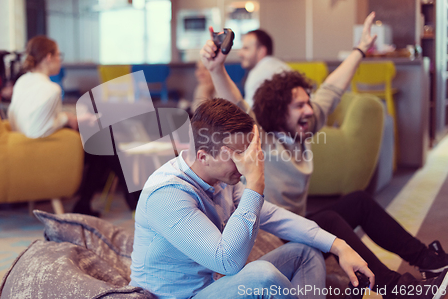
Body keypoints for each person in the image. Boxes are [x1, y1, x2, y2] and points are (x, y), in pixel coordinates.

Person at [200, 12, 448, 299]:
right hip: (271, 235)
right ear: (279, 113)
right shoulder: (259, 137)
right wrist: (217, 69)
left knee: (359, 201)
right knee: (328, 219)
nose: (309, 110)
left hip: (298, 226)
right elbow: (236, 102)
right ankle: (395, 288)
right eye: (300, 106)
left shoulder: (304, 125)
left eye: (308, 103)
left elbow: (333, 88)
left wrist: (361, 48)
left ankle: (429, 261)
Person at [130, 98, 374, 299]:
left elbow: (273, 216)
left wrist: (339, 245)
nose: (247, 163)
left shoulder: (220, 178)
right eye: (237, 155)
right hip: (182, 297)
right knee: (262, 276)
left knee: (306, 252)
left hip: (215, 285)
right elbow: (227, 262)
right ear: (204, 156)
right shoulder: (166, 195)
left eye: (247, 152)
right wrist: (255, 184)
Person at [7, 36, 106, 216]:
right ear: (49, 57)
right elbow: (38, 130)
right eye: (59, 55)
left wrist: (67, 117)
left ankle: (129, 201)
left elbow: (33, 119)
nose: (61, 59)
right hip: (41, 151)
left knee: (104, 144)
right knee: (104, 145)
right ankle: (131, 202)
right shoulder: (52, 89)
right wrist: (66, 120)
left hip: (18, 145)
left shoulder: (23, 81)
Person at [239, 29, 292, 107]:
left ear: (261, 51)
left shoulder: (258, 73)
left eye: (246, 48)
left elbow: (248, 114)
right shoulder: (282, 66)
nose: (240, 53)